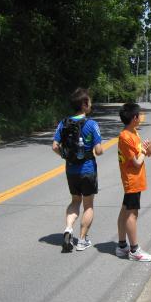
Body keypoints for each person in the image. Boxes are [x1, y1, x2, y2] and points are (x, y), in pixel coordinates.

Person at [52, 88, 103, 252]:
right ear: (84, 104)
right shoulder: (91, 124)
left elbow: (54, 146)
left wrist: (66, 156)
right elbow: (99, 150)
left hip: (71, 170)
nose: (91, 104)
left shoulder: (63, 123)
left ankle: (68, 228)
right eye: (89, 101)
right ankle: (81, 240)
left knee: (75, 201)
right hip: (88, 169)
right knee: (88, 205)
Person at [115, 103, 151, 262]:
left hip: (136, 180)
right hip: (132, 180)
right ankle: (134, 250)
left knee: (125, 211)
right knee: (132, 214)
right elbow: (137, 162)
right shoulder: (125, 136)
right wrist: (144, 151)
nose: (141, 117)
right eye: (139, 115)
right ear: (134, 118)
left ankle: (122, 245)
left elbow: (146, 154)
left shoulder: (134, 133)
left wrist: (148, 149)